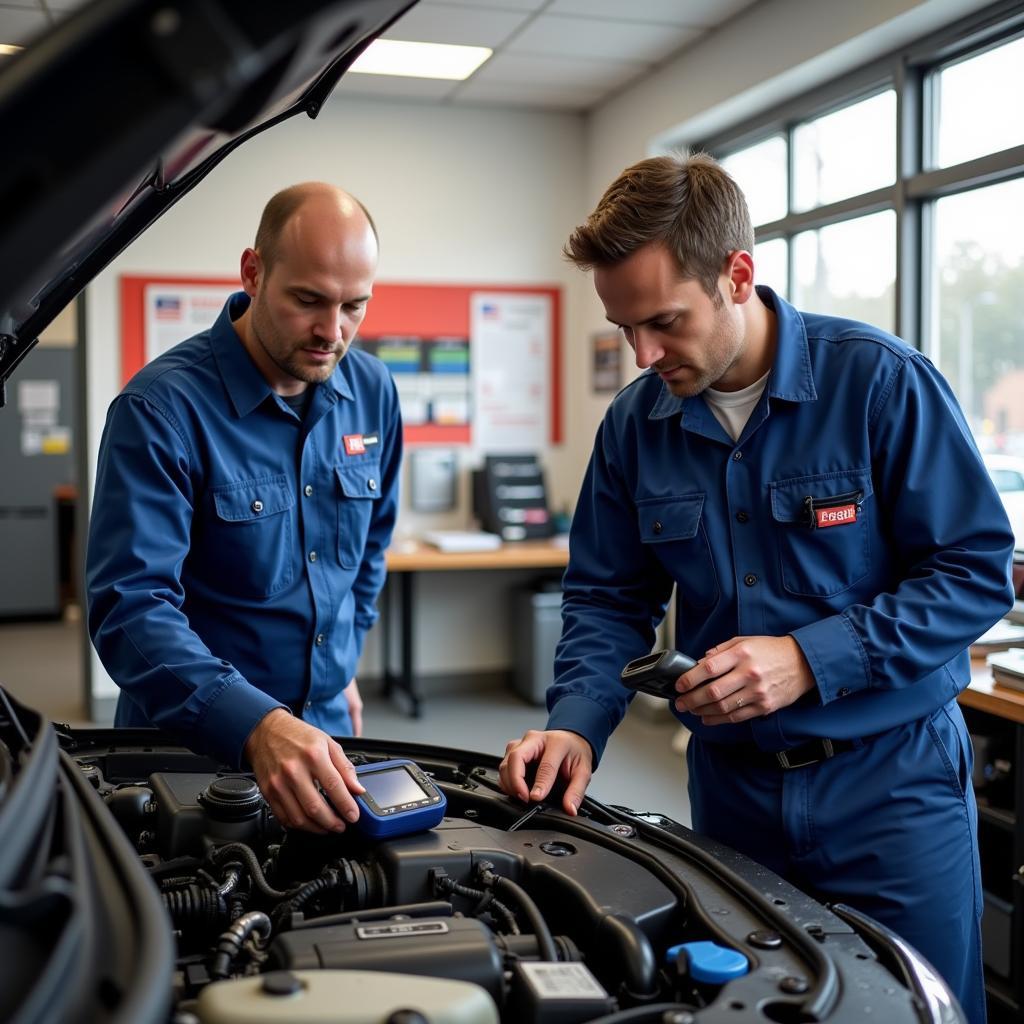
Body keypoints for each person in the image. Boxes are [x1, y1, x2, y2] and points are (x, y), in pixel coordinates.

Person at [498, 153, 1014, 1023]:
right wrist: (576, 726)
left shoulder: (882, 384)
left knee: (915, 1009)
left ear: (738, 275)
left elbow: (975, 573)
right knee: (749, 1007)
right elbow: (605, 596)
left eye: (663, 321)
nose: (644, 353)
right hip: (733, 796)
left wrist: (810, 660)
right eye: (625, 328)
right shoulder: (635, 425)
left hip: (891, 788)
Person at [87, 182, 402, 834]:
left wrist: (338, 664)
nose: (332, 330)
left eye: (354, 306)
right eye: (309, 300)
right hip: (192, 745)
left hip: (327, 730)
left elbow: (371, 547)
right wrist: (254, 722)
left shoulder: (374, 392)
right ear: (254, 273)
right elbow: (131, 608)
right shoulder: (160, 411)